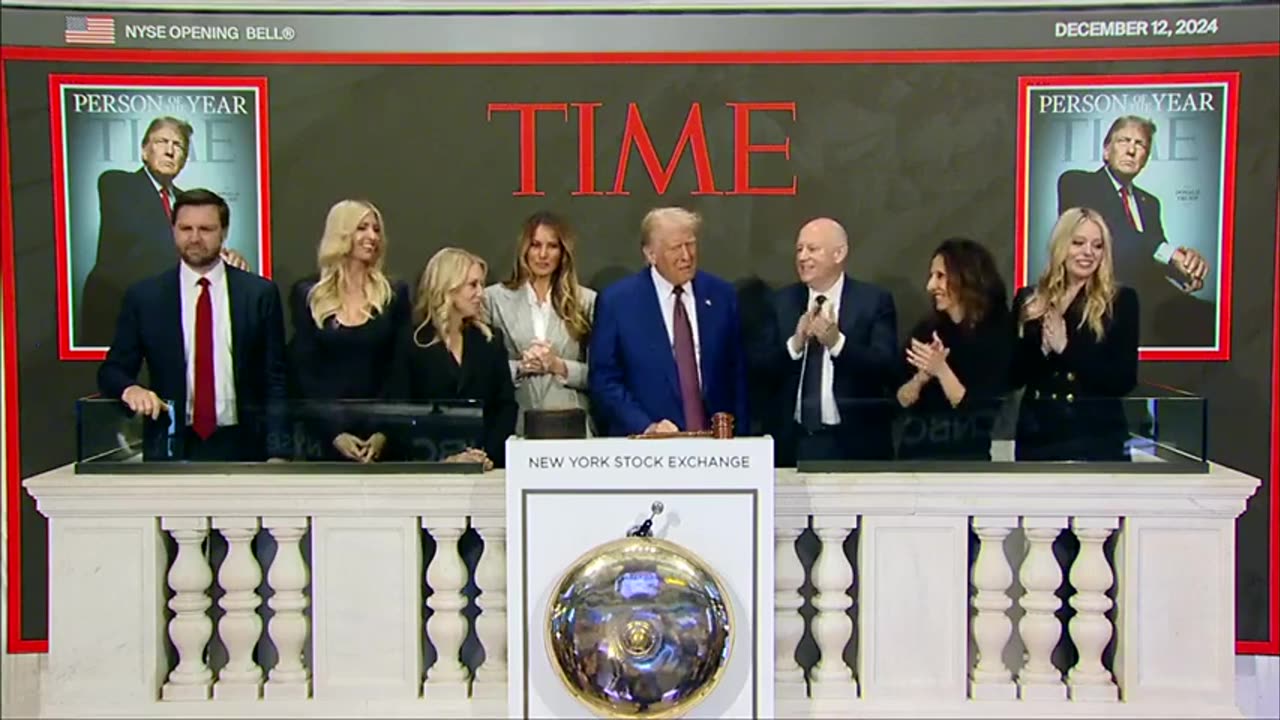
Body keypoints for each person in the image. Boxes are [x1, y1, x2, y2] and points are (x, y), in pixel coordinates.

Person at [96, 188, 289, 461]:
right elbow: (112, 370)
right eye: (186, 228)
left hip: (244, 445)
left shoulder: (259, 294)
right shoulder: (145, 297)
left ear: (224, 231)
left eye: (206, 229)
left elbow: (275, 379)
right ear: (173, 230)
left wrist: (278, 452)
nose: (195, 238)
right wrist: (131, 389)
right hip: (170, 445)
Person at [80, 116, 247, 347]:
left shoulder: (185, 203)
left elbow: (193, 245)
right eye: (162, 142)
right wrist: (204, 251)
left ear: (185, 159)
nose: (170, 151)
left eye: (178, 145)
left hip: (163, 317)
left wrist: (224, 259)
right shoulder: (116, 183)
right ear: (144, 151)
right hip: (114, 309)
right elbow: (143, 236)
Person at [589, 207, 748, 436]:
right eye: (676, 248)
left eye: (690, 244)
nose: (687, 256)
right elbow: (605, 380)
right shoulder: (618, 303)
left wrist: (738, 439)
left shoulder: (722, 296)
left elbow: (737, 378)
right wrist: (646, 427)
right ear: (650, 254)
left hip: (715, 447)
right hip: (648, 448)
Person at [1056, 114, 1212, 348]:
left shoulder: (1150, 203)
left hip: (1151, 304)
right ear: (1106, 151)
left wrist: (1187, 268)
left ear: (1146, 158)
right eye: (1124, 141)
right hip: (1100, 301)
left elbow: (1155, 254)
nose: (1131, 150)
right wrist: (1171, 254)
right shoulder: (1077, 182)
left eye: (1140, 145)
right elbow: (1112, 235)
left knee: (1212, 320)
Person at [759, 217, 898, 464]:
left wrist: (837, 344)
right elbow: (760, 371)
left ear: (839, 254)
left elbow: (886, 368)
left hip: (854, 445)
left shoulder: (873, 302)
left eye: (812, 249)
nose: (802, 257)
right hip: (793, 444)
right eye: (799, 250)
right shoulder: (779, 303)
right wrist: (795, 345)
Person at [1011, 207, 1139, 462]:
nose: (1088, 253)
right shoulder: (1029, 300)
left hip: (1094, 437)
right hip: (1038, 437)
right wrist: (1040, 347)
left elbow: (1123, 380)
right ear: (1061, 245)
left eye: (1097, 245)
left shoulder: (1120, 301)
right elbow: (1013, 376)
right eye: (1078, 243)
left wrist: (1066, 349)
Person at [288, 199, 411, 462]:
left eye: (376, 229)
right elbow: (305, 371)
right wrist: (334, 432)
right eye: (362, 228)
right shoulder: (308, 294)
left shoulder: (393, 294)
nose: (372, 236)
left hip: (382, 439)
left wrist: (383, 431)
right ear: (341, 234)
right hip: (323, 437)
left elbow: (399, 370)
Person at [399, 248, 517, 469]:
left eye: (481, 284)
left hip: (486, 465)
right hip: (427, 468)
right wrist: (443, 460)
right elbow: (401, 411)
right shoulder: (412, 343)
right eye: (473, 285)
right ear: (449, 288)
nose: (481, 293)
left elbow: (505, 406)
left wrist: (484, 454)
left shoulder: (490, 341)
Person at [895, 238, 1011, 460]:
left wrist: (941, 369)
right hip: (915, 457)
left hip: (966, 462)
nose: (930, 286)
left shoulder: (997, 334)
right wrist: (921, 378)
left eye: (940, 276)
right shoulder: (927, 331)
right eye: (931, 276)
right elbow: (900, 400)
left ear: (965, 277)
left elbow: (977, 411)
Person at [485, 211, 596, 435]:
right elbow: (481, 372)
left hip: (570, 424)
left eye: (552, 246)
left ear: (563, 252)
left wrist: (558, 366)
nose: (543, 255)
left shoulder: (586, 301)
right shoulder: (493, 299)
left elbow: (600, 375)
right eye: (535, 245)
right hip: (515, 424)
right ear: (524, 249)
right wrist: (520, 367)